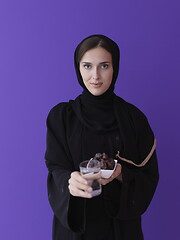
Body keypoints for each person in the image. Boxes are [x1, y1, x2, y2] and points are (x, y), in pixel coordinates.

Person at [45, 34, 159, 240]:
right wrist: (70, 181)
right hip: (75, 231)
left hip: (121, 230)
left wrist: (121, 173)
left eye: (104, 66)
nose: (95, 76)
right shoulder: (61, 117)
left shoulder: (134, 119)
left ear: (115, 68)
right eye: (87, 66)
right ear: (78, 68)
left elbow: (149, 175)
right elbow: (55, 167)